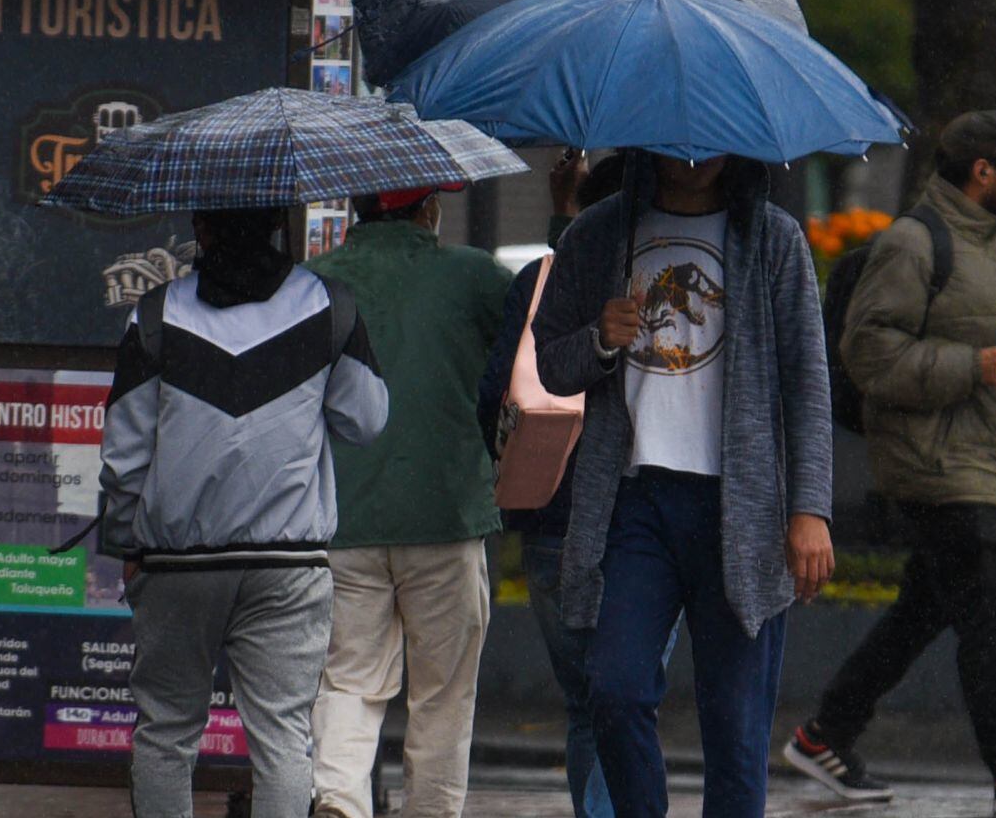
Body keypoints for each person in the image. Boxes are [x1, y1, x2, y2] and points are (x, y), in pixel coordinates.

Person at [784, 111, 996, 815]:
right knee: (992, 614)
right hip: (937, 466)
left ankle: (826, 733)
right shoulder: (915, 243)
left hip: (982, 460)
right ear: (981, 170)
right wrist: (973, 365)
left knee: (922, 612)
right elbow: (869, 353)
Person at [532, 152, 835, 818]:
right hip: (634, 502)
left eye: (710, 139)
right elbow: (551, 362)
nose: (692, 154)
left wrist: (810, 509)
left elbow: (808, 383)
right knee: (614, 689)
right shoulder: (600, 233)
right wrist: (599, 339)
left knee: (736, 730)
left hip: (743, 508)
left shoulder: (773, 238)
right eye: (675, 136)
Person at [98, 207, 388, 818]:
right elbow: (366, 419)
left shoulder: (155, 314)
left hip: (177, 566)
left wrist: (126, 543)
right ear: (279, 224)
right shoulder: (329, 306)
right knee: (283, 738)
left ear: (202, 230)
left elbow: (124, 456)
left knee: (165, 733)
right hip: (288, 565)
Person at [306, 184, 512, 818]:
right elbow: (539, 343)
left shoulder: (314, 282)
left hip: (342, 517)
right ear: (430, 210)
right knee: (444, 693)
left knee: (348, 678)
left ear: (356, 209)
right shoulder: (476, 276)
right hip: (446, 514)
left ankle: (338, 798)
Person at [476, 151, 628, 818]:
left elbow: (494, 396)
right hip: (638, 521)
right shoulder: (670, 289)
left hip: (550, 508)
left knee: (586, 705)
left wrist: (565, 213)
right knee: (627, 697)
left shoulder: (544, 278)